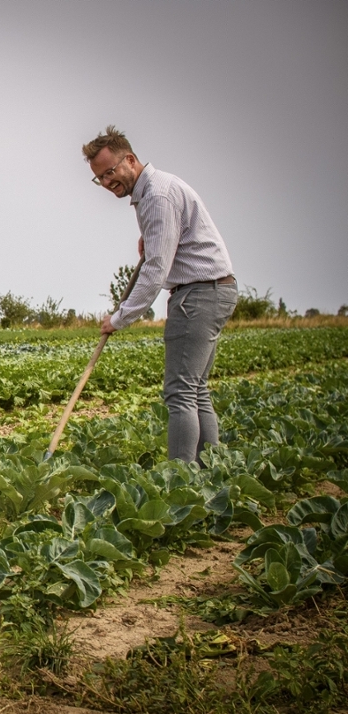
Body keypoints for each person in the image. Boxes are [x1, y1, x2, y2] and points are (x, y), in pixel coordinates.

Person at [84, 125, 237, 465]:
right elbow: (165, 247)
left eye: (110, 172)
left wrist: (120, 318)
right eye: (100, 178)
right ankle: (211, 470)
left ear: (131, 160)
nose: (108, 183)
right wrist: (152, 241)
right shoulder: (155, 190)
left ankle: (181, 480)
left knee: (181, 392)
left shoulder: (157, 195)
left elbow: (155, 271)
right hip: (214, 290)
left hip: (198, 295)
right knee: (196, 390)